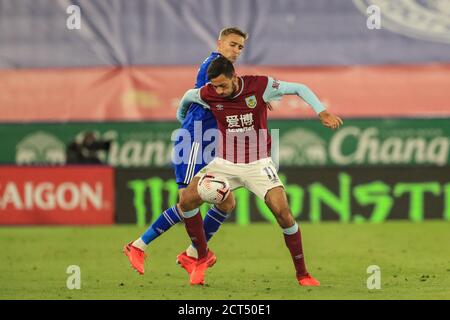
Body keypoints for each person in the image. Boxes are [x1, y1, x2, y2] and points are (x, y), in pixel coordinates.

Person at [174, 56, 343, 285]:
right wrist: (182, 119)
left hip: (259, 164)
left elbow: (299, 88)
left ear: (235, 76)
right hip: (225, 163)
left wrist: (322, 112)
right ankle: (201, 257)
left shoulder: (260, 86)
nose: (219, 91)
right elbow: (186, 98)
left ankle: (303, 274)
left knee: (283, 212)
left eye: (223, 85)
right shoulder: (208, 93)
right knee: (186, 200)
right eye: (215, 86)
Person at [123, 27, 248, 275]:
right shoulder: (214, 65)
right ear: (220, 43)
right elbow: (198, 96)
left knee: (226, 202)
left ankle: (193, 253)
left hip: (209, 143)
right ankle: (140, 246)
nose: (236, 51)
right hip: (195, 141)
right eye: (233, 44)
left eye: (240, 47)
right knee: (188, 202)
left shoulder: (223, 68)